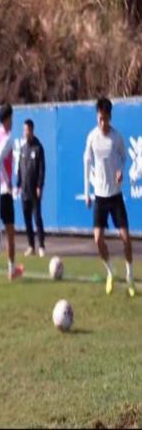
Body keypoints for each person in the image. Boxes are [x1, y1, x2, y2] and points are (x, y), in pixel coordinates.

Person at [84, 97, 135, 297]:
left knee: (126, 239)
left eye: (105, 119)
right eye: (100, 118)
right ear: (97, 117)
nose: (103, 122)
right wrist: (87, 193)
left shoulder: (116, 137)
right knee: (98, 240)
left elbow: (124, 157)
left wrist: (120, 170)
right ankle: (110, 271)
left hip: (115, 196)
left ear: (110, 117)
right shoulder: (92, 138)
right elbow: (87, 163)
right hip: (100, 196)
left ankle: (130, 276)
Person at [0, 104, 24, 281]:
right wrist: (8, 182)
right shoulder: (7, 138)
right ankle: (11, 270)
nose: (12, 122)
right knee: (10, 233)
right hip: (4, 192)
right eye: (11, 118)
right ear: (7, 119)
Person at [17, 119, 46, 257]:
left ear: (32, 130)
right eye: (24, 130)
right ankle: (31, 246)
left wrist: (39, 186)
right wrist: (18, 184)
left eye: (28, 130)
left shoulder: (38, 148)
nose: (26, 133)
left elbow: (42, 169)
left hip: (34, 191)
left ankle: (41, 246)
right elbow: (19, 168)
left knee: (37, 218)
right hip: (24, 191)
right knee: (27, 219)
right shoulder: (23, 149)